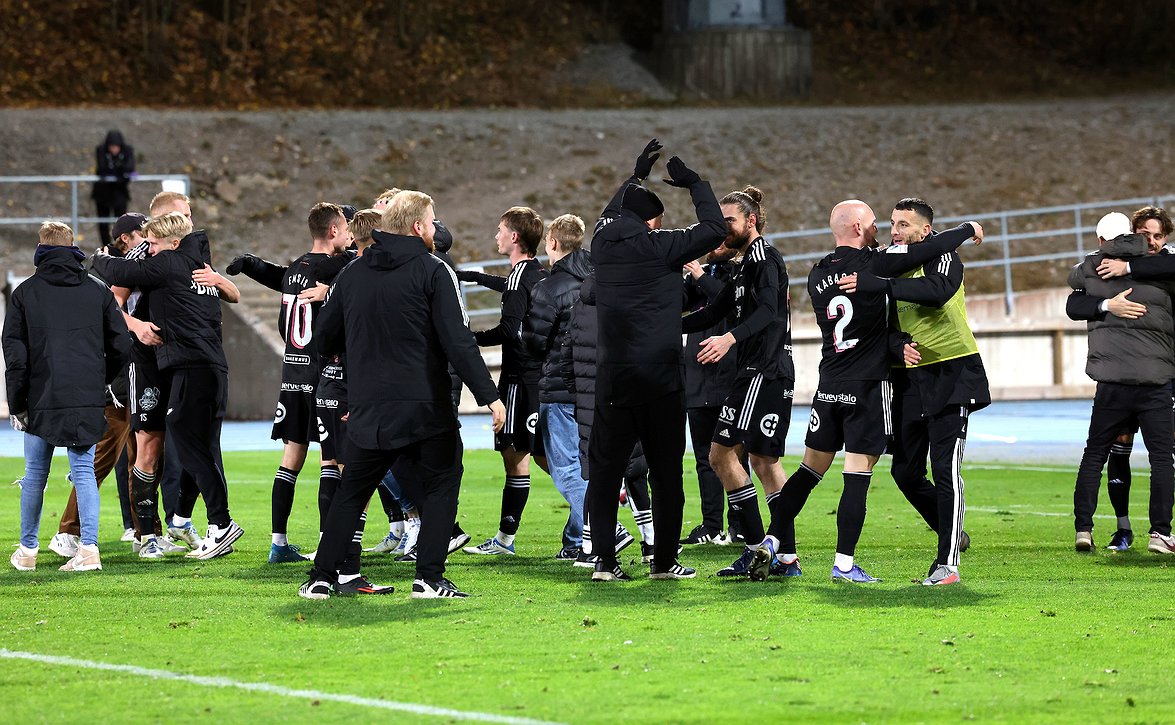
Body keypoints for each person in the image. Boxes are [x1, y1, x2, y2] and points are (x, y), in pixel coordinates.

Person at [300, 190, 505, 600]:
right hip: (424, 405)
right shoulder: (433, 270)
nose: (433, 230)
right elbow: (458, 341)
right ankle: (429, 578)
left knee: (352, 490)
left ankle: (321, 578)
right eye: (430, 222)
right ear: (416, 227)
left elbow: (322, 339)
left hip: (368, 407)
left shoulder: (352, 275)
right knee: (442, 483)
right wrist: (490, 397)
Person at [762, 200, 981, 583]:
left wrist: (894, 336)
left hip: (850, 379)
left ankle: (772, 543)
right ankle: (843, 565)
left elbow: (933, 284)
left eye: (900, 225)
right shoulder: (876, 263)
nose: (889, 231)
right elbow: (882, 313)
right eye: (884, 224)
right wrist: (967, 229)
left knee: (811, 470)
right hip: (875, 384)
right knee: (876, 471)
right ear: (862, 228)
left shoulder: (817, 273)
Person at [585, 139, 726, 581]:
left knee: (605, 475)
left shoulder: (602, 244)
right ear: (651, 220)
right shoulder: (661, 246)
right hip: (661, 377)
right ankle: (663, 562)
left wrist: (635, 176)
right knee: (667, 475)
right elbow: (715, 229)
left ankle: (604, 562)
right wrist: (696, 184)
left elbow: (611, 213)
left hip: (612, 377)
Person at [836, 198, 989, 585]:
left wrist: (878, 283)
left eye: (904, 225)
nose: (895, 231)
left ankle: (947, 564)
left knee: (945, 467)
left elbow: (937, 292)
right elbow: (881, 324)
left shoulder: (944, 258)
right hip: (909, 379)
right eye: (892, 223)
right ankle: (950, 530)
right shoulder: (893, 259)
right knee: (905, 471)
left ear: (925, 231)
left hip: (951, 373)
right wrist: (895, 344)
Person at [92, 211, 244, 560]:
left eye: (155, 244)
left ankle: (220, 523)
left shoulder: (170, 262)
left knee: (184, 436)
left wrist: (99, 256)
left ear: (174, 242)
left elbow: (117, 272)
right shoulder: (196, 266)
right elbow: (231, 295)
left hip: (191, 365)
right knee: (198, 444)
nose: (149, 250)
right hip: (208, 365)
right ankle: (186, 522)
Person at [680, 186, 798, 580]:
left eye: (729, 220)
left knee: (720, 455)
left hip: (763, 371)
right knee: (763, 462)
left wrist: (729, 338)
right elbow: (714, 309)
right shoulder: (745, 264)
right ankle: (784, 558)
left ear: (751, 221)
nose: (723, 227)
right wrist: (663, 328)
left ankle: (755, 547)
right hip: (758, 372)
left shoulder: (766, 259)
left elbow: (767, 311)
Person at [226, 202, 353, 564]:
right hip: (324, 373)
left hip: (292, 373)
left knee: (291, 458)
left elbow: (276, 275)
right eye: (346, 228)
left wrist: (250, 264)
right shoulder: (339, 267)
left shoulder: (298, 267)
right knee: (336, 460)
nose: (349, 236)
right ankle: (335, 543)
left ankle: (278, 543)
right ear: (333, 231)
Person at [5, 221, 130, 572]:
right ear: (73, 246)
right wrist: (100, 378)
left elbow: (15, 357)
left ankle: (28, 551)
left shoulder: (25, 293)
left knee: (35, 475)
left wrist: (17, 404)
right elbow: (122, 344)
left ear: (40, 248)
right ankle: (89, 549)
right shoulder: (97, 290)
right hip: (86, 395)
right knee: (84, 472)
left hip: (39, 396)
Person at [1068, 212, 1175, 554]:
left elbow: (1074, 291)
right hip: (1155, 380)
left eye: (1158, 236)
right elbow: (1074, 302)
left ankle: (1085, 529)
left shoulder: (1095, 265)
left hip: (1122, 381)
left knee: (1097, 453)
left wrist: (1121, 272)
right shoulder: (1159, 272)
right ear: (1134, 234)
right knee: (1153, 456)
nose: (1152, 241)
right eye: (1146, 235)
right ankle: (1147, 531)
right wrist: (1106, 303)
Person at [47, 212, 148, 559]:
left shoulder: (115, 268)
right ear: (125, 238)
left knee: (143, 458)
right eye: (141, 234)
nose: (146, 240)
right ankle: (68, 531)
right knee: (103, 456)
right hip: (115, 378)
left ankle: (144, 531)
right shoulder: (104, 272)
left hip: (132, 372)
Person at [460, 207, 549, 555]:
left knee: (521, 455)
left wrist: (470, 338)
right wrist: (479, 278)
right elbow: (512, 286)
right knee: (536, 453)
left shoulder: (519, 278)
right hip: (539, 376)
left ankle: (505, 540)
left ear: (514, 237)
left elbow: (509, 330)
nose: (495, 235)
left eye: (500, 230)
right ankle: (589, 524)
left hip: (517, 379)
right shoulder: (537, 273)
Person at [521, 214, 594, 560]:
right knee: (587, 465)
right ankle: (576, 541)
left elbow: (534, 343)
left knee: (564, 468)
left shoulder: (548, 288)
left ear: (552, 242)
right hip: (594, 388)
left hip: (560, 387)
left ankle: (604, 529)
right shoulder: (598, 277)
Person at [681, 243, 746, 546]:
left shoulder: (742, 273)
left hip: (729, 378)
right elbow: (679, 303)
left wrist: (698, 273)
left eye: (720, 242)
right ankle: (711, 525)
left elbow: (729, 302)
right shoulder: (702, 276)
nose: (713, 248)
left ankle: (740, 524)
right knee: (705, 458)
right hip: (697, 377)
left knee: (734, 455)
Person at [92, 130, 136, 248]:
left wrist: (118, 171)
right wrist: (120, 172)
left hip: (120, 192)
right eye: (112, 147)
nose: (114, 150)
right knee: (103, 222)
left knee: (121, 222)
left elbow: (130, 168)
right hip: (103, 193)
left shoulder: (127, 151)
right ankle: (106, 246)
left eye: (116, 147)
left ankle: (120, 246)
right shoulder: (101, 151)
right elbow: (102, 169)